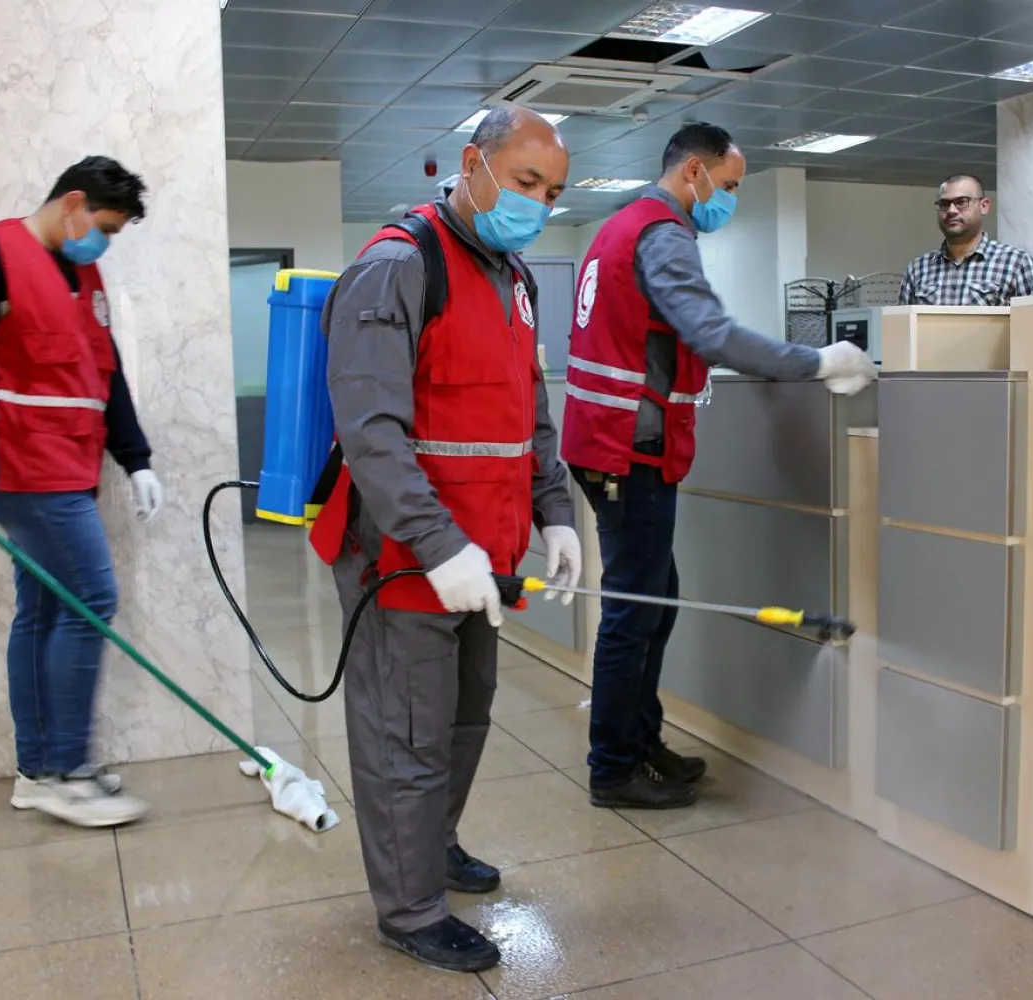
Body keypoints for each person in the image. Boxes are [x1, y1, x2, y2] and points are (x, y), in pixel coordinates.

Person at [307, 105, 581, 974]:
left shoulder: (515, 278)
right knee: (408, 735)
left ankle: (434, 846)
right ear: (474, 163)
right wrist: (438, 545)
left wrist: (558, 513)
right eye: (526, 182)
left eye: (553, 191)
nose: (537, 203)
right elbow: (372, 433)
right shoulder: (397, 268)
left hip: (485, 554)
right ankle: (411, 906)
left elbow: (528, 416)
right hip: (404, 559)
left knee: (464, 718)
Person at [560, 121, 876, 812]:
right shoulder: (662, 233)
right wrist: (816, 361)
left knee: (655, 603)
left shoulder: (622, 227)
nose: (729, 200)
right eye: (729, 186)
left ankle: (641, 742)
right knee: (634, 612)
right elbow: (712, 332)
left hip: (611, 444)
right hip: (627, 451)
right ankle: (613, 767)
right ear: (694, 173)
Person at [0, 156, 161, 829]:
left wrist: (135, 459)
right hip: (11, 460)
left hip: (65, 464)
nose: (103, 240)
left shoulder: (84, 275)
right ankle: (67, 773)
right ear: (71, 204)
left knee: (45, 605)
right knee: (91, 597)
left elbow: (107, 377)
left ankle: (40, 770)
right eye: (103, 226)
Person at [898, 173, 1033, 305]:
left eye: (962, 202)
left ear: (984, 206)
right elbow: (902, 331)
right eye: (944, 204)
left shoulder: (1016, 263)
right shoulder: (917, 270)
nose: (951, 210)